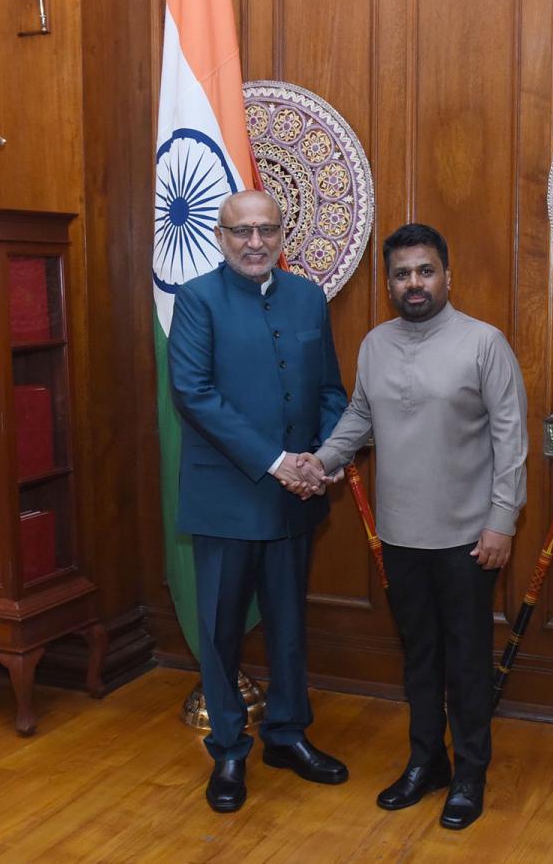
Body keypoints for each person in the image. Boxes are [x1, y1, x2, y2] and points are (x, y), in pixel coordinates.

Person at [301, 222, 527, 830]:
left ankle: (471, 772)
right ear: (389, 284)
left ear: (447, 276)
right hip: (400, 535)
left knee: (467, 660)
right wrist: (320, 462)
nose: (414, 283)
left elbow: (511, 440)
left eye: (425, 270)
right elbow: (358, 417)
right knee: (420, 658)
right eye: (401, 274)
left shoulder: (484, 343)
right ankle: (427, 763)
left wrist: (502, 522)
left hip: (469, 538)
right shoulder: (375, 344)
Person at [167, 189, 349, 814]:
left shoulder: (307, 297)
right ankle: (227, 750)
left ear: (281, 235)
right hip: (226, 498)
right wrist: (278, 462)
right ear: (220, 237)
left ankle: (287, 735)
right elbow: (194, 393)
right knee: (221, 631)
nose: (254, 242)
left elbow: (329, 390)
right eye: (241, 231)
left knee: (289, 624)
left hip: (296, 497)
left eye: (266, 230)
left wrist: (321, 459)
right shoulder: (197, 299)